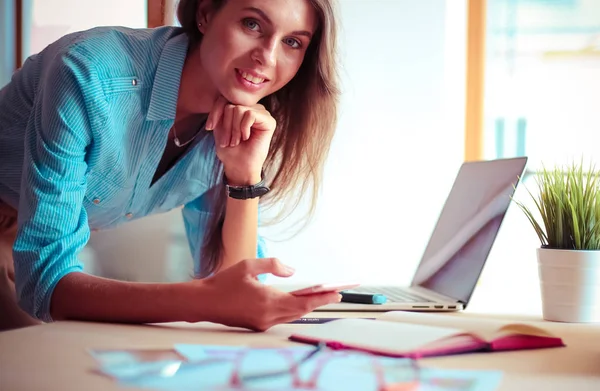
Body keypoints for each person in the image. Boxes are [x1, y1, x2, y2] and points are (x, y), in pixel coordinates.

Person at [0, 0, 341, 332]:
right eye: (252, 24)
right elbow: (46, 285)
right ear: (206, 13)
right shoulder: (90, 74)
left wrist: (244, 177)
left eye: (292, 42)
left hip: (42, 249)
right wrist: (204, 302)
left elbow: (238, 285)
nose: (267, 57)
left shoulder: (240, 119)